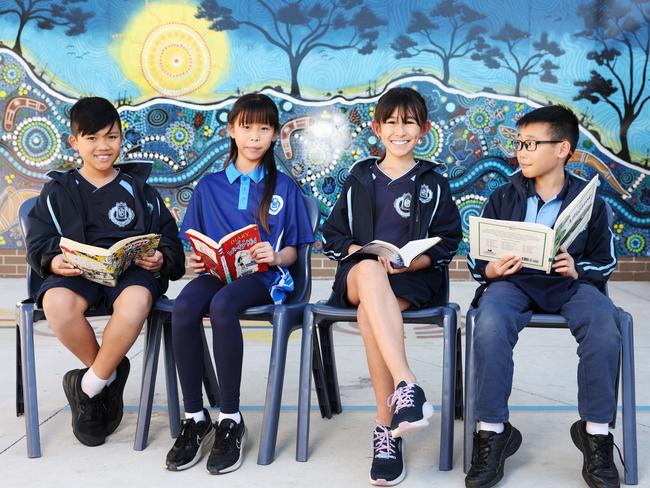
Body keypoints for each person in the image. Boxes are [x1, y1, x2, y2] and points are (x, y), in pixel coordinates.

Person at [466, 105, 621, 488]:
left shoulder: (590, 201)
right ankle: (492, 431)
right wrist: (490, 270)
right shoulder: (503, 196)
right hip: (513, 284)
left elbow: (606, 260)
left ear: (563, 149)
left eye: (532, 143)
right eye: (519, 143)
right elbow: (477, 258)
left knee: (605, 325)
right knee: (489, 322)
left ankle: (597, 434)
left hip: (571, 285)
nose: (522, 151)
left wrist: (578, 268)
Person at [164, 93, 314, 474]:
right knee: (182, 308)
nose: (255, 136)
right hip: (218, 273)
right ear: (231, 131)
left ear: (275, 134)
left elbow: (294, 252)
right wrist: (196, 259)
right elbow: (194, 244)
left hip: (264, 278)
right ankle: (195, 418)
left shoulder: (284, 189)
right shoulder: (209, 186)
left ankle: (230, 418)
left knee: (223, 306)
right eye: (247, 127)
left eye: (264, 128)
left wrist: (275, 256)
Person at [25, 97, 185, 447]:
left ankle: (88, 387)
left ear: (121, 138)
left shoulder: (139, 190)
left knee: (138, 300)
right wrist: (53, 261)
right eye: (92, 138)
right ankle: (110, 372)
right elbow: (39, 241)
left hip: (130, 273)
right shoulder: (58, 190)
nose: (103, 146)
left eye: (111, 137)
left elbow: (170, 240)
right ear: (74, 142)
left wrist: (160, 259)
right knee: (56, 304)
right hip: (76, 272)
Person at [322, 87, 462, 486]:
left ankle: (386, 429)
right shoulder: (361, 177)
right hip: (358, 275)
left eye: (410, 123)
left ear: (424, 129)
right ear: (377, 128)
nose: (400, 131)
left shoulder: (433, 181)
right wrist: (361, 251)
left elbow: (449, 239)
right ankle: (408, 384)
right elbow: (333, 235)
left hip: (412, 280)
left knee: (372, 312)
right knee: (368, 271)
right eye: (392, 122)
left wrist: (412, 261)